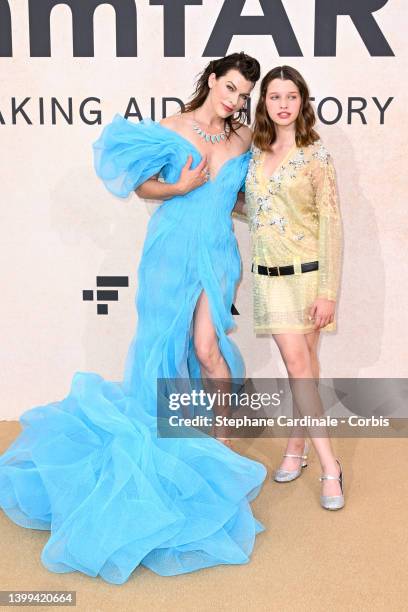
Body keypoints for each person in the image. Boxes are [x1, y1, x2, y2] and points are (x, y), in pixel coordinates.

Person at [0, 53, 267, 585]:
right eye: (231, 87)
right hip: (169, 249)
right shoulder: (169, 127)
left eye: (244, 94)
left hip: (217, 251)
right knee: (162, 344)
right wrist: (180, 189)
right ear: (213, 80)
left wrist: (252, 208)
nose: (236, 99)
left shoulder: (241, 140)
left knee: (209, 346)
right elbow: (140, 186)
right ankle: (164, 425)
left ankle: (219, 434)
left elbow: (239, 196)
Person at [237, 65, 345, 510]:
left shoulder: (315, 154)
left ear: (303, 102)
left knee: (305, 370)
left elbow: (331, 224)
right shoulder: (255, 153)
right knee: (301, 370)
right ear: (264, 103)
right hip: (270, 280)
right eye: (274, 96)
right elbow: (259, 212)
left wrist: (328, 292)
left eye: (291, 96)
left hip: (310, 277)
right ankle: (330, 465)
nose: (283, 104)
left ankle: (303, 452)